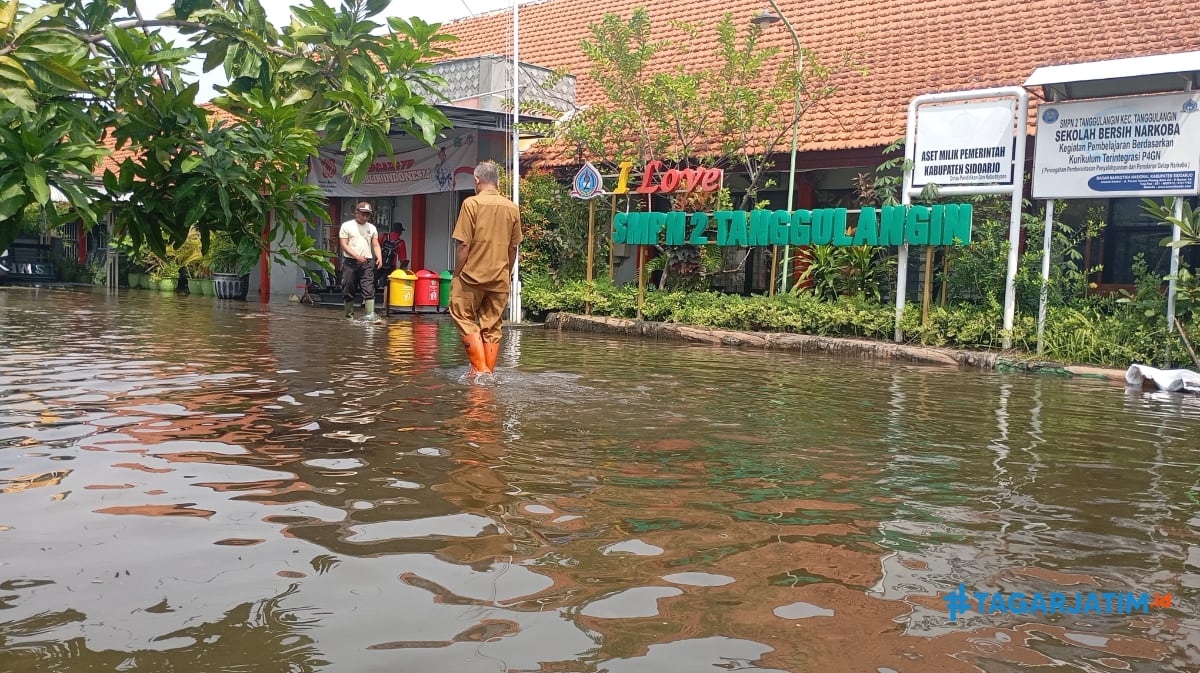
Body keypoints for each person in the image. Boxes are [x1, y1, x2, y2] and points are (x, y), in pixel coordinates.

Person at [450, 161, 522, 377]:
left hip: (471, 277)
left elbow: (464, 244)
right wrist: (506, 273)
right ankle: (487, 375)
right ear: (498, 182)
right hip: (500, 278)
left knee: (462, 315)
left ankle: (479, 369)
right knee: (492, 327)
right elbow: (513, 247)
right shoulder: (512, 207)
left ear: (477, 180)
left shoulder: (471, 204)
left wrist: (456, 275)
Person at [339, 201, 383, 322]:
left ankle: (371, 316)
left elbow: (375, 245)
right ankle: (349, 317)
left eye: (367, 215)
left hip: (366, 262)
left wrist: (379, 257)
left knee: (369, 288)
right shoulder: (346, 226)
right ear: (356, 212)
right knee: (348, 288)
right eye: (362, 214)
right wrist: (356, 256)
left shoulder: (372, 228)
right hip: (350, 262)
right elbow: (343, 244)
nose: (364, 217)